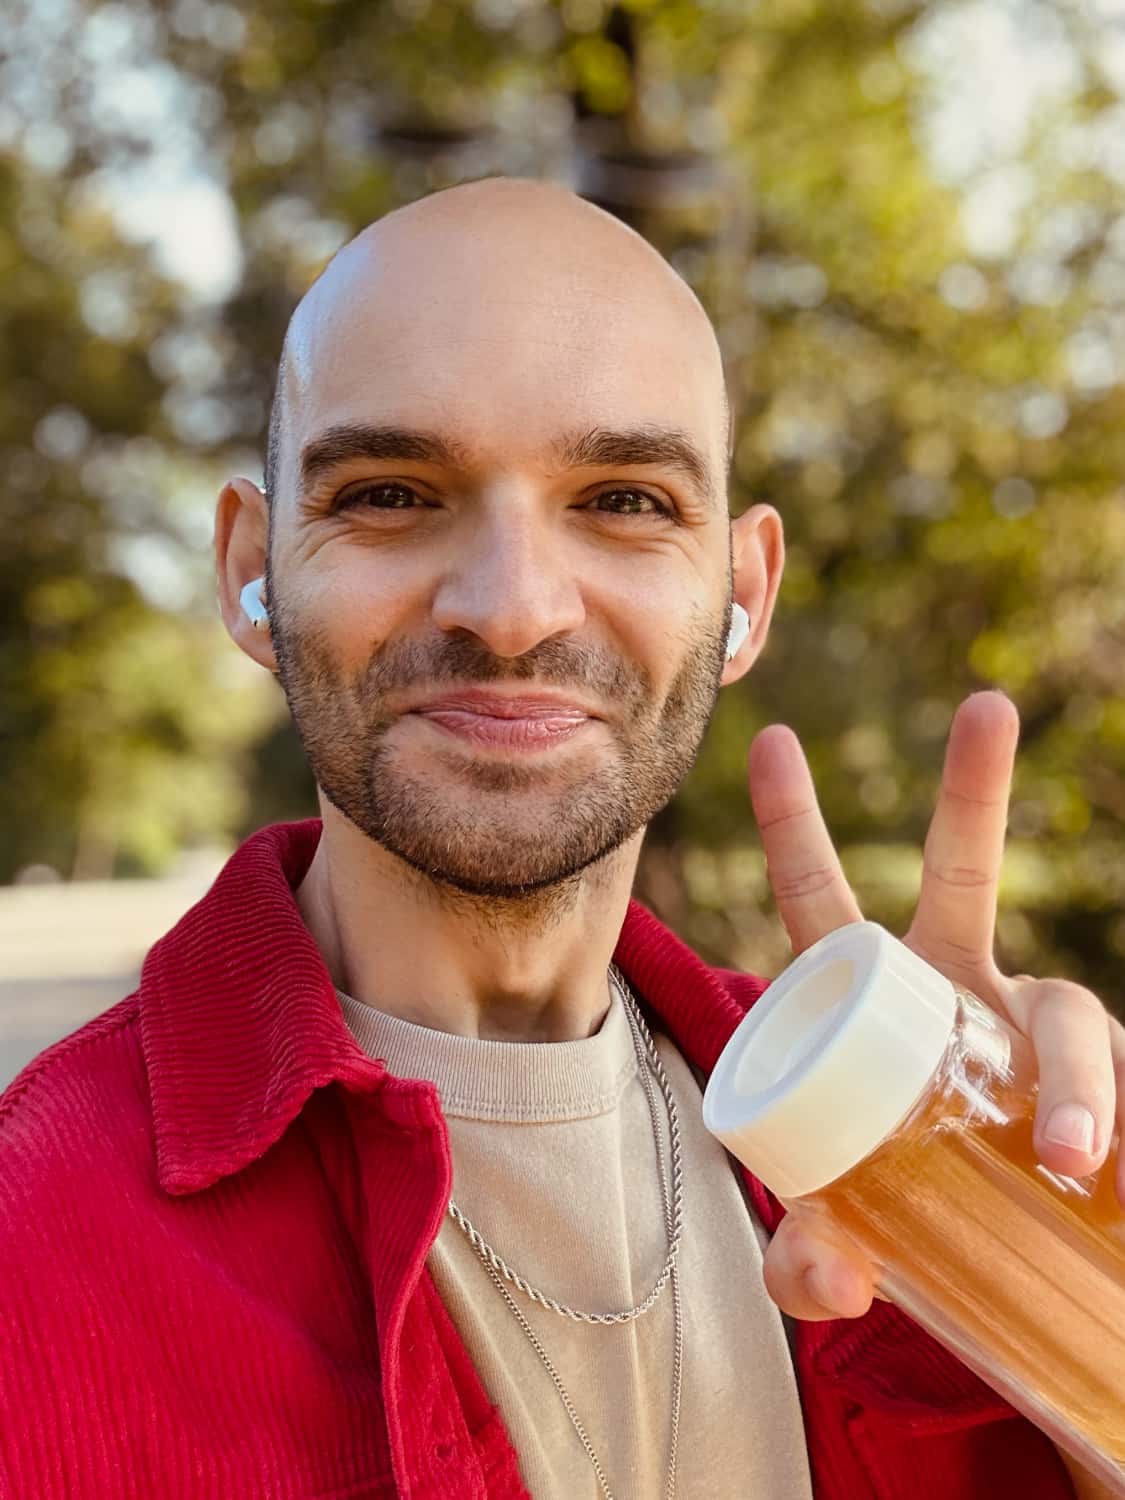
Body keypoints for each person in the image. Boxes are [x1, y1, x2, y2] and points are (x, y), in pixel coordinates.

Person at [0, 177, 1120, 1500]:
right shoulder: (33, 1247)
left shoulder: (915, 1166)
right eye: (392, 492)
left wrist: (1067, 1270)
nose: (514, 610)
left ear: (739, 597)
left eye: (626, 500)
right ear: (253, 570)